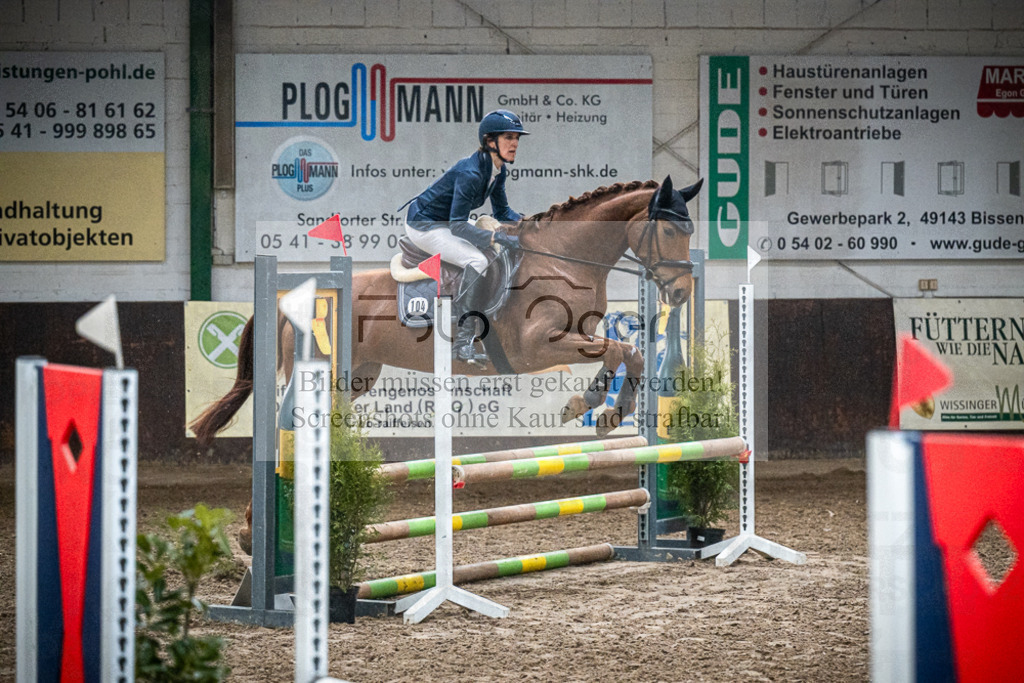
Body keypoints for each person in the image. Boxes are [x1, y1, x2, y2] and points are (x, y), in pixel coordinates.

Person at [404, 109, 527, 365]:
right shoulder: (470, 173)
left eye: (517, 137)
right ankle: (462, 342)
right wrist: (495, 239)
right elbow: (458, 226)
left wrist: (529, 224)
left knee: (493, 247)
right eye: (508, 137)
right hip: (424, 226)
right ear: (490, 141)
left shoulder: (498, 170)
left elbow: (502, 211)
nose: (515, 143)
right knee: (478, 261)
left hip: (446, 221)